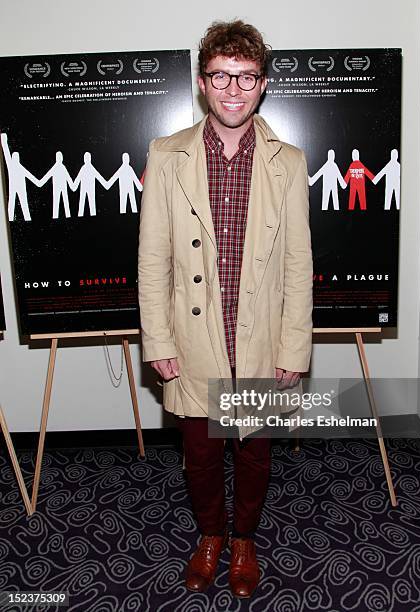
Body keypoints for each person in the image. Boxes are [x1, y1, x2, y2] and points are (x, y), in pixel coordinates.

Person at [138, 20, 313, 598]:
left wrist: (293, 346)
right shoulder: (166, 156)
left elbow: (296, 265)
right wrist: (157, 341)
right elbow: (152, 261)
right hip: (193, 339)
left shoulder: (289, 162)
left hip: (259, 336)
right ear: (201, 81)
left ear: (262, 84)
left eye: (246, 76)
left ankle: (243, 539)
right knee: (202, 452)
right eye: (221, 75)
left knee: (255, 451)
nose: (233, 89)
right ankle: (209, 535)